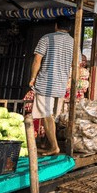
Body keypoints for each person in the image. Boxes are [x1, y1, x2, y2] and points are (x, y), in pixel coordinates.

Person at [29, 20, 74, 156]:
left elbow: (37, 59)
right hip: (61, 85)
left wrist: (32, 78)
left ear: (56, 26)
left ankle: (54, 147)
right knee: (52, 116)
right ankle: (50, 145)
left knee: (47, 115)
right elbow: (75, 64)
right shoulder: (73, 42)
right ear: (70, 29)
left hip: (45, 83)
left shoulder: (47, 38)